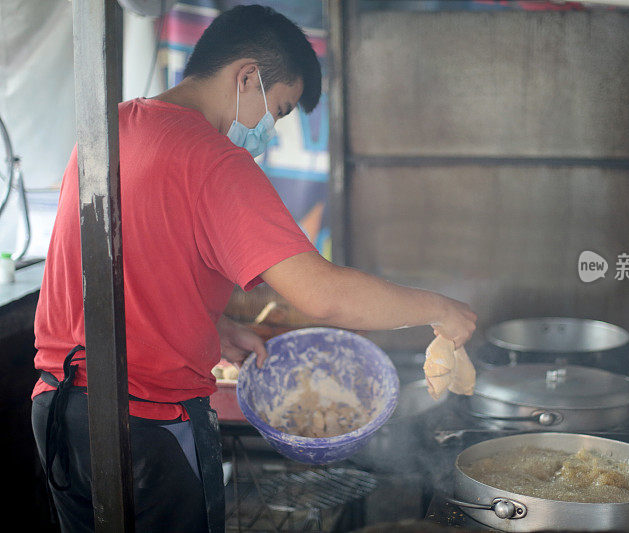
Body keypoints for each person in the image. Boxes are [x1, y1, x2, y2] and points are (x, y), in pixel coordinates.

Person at [30, 5, 476, 533]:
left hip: (57, 412)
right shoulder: (215, 160)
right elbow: (324, 295)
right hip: (145, 429)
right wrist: (440, 309)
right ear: (246, 76)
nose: (269, 132)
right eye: (279, 110)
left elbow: (110, 270)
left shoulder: (111, 130)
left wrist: (207, 326)